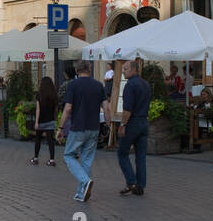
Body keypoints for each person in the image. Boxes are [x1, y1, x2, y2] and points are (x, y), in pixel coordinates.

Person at [58, 63, 106, 203]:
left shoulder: (73, 85)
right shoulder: (98, 85)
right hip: (94, 127)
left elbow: (67, 108)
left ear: (77, 71)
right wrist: (108, 124)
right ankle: (81, 192)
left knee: (68, 155)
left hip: (78, 127)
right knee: (86, 159)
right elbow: (106, 107)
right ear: (89, 70)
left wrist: (60, 128)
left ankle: (85, 181)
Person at [117, 59, 152, 196]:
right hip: (144, 122)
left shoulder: (130, 85)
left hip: (133, 123)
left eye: (125, 69)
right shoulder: (146, 84)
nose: (123, 71)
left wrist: (123, 125)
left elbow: (127, 110)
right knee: (141, 156)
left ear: (133, 70)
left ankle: (131, 181)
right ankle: (140, 185)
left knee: (122, 153)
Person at [30, 76, 57, 166]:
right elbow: (56, 109)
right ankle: (52, 160)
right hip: (50, 121)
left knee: (38, 139)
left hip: (41, 121)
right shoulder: (54, 95)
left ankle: (36, 158)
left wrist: (36, 122)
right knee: (50, 141)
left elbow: (38, 109)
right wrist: (55, 120)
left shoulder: (39, 94)